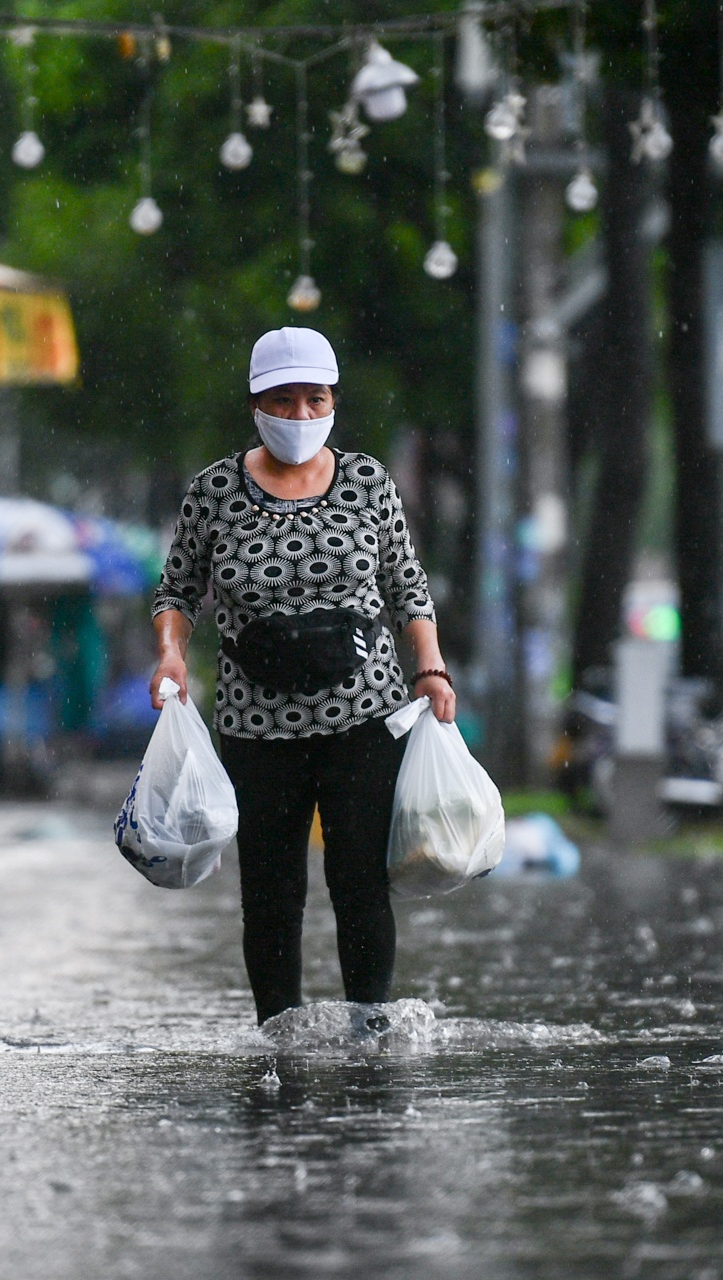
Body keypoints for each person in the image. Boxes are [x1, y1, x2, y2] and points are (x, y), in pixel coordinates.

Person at [148, 327, 455, 1025]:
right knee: (271, 893)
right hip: (256, 727)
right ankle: (278, 1033)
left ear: (333, 401)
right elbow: (175, 592)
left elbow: (409, 587)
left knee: (361, 884)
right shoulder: (215, 492)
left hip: (364, 717)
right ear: (256, 404)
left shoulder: (369, 481)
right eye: (283, 402)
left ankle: (370, 1028)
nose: (299, 416)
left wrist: (430, 668)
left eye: (313, 399)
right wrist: (170, 653)